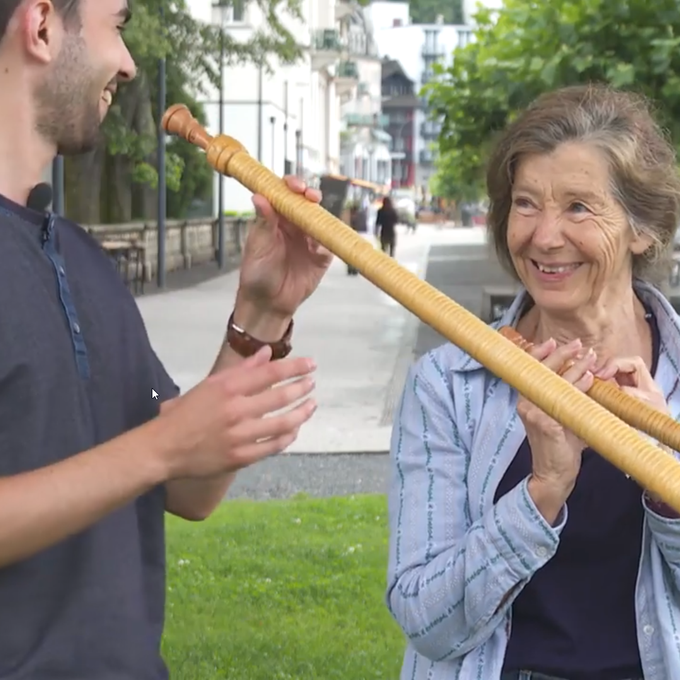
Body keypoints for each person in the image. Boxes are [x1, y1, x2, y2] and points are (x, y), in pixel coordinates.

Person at [0, 1, 332, 678]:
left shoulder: (80, 258)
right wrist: (159, 447)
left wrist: (260, 313)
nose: (126, 61)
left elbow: (187, 489)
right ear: (40, 25)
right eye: (116, 24)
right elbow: (156, 455)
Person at [386, 83, 680, 680]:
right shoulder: (447, 386)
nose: (544, 236)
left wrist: (664, 479)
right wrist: (543, 488)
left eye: (578, 206)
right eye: (526, 203)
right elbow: (427, 624)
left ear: (642, 227)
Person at [346, 202, 367, 276]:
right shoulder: (358, 216)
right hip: (352, 236)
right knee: (352, 254)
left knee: (352, 254)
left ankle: (352, 268)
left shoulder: (350, 216)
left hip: (352, 237)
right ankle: (352, 268)